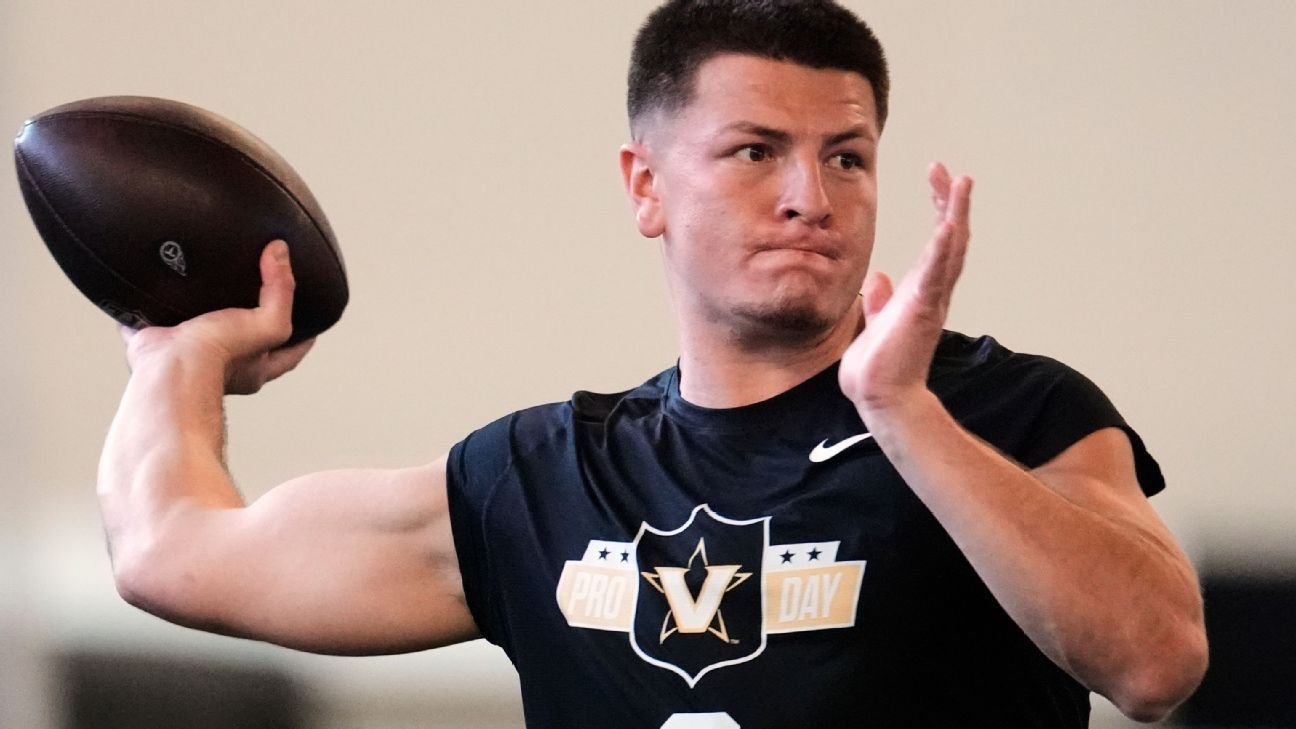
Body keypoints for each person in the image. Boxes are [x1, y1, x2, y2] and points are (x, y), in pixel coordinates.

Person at [99, 1, 1208, 727]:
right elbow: (171, 552)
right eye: (756, 151)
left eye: (847, 158)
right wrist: (176, 355)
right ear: (645, 186)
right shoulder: (544, 480)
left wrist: (904, 414)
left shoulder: (1004, 412)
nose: (809, 197)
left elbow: (1158, 663)